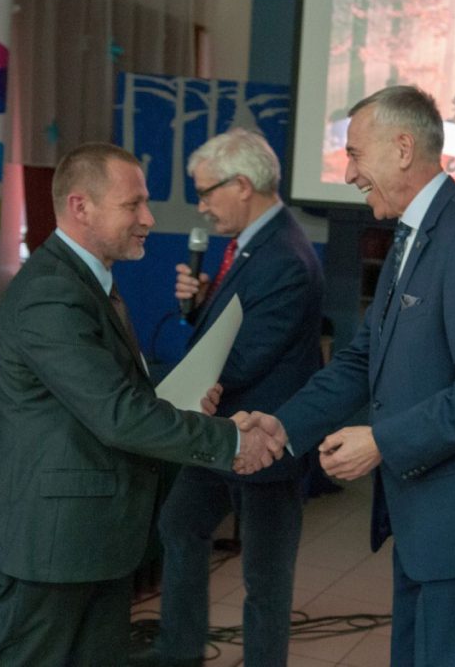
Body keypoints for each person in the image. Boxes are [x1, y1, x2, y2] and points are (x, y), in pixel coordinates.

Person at [239, 86, 455, 666]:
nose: (347, 174)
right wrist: (283, 428)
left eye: (355, 154)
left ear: (404, 148)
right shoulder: (411, 233)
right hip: (423, 518)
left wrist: (382, 441)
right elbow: (363, 359)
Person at [0, 142, 283, 667]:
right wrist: (233, 441)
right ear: (80, 207)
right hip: (53, 543)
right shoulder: (52, 293)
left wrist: (180, 402)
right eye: (132, 204)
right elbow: (117, 415)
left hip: (90, 537)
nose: (148, 219)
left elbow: (106, 392)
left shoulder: (86, 281)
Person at [133, 128, 324, 667]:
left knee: (265, 575)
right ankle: (180, 650)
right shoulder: (255, 243)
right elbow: (233, 328)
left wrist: (182, 387)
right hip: (222, 430)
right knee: (180, 525)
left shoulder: (285, 254)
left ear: (242, 185)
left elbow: (247, 355)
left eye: (206, 192)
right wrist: (200, 305)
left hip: (266, 438)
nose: (201, 206)